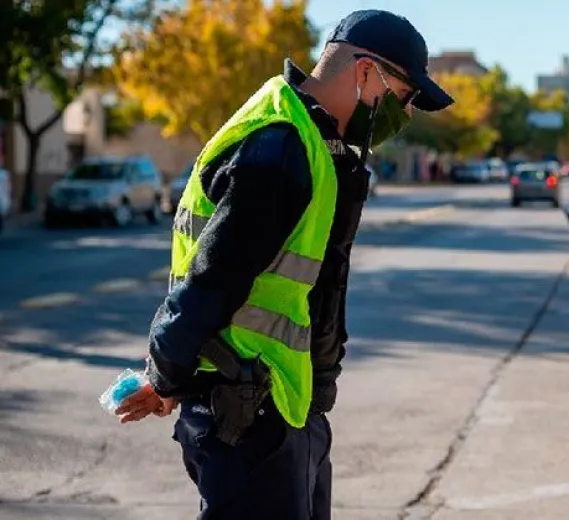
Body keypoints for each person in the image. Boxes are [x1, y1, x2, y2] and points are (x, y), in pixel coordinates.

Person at [113, 10, 454, 520]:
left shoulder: (318, 143)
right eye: (404, 98)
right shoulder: (279, 145)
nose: (403, 116)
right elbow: (213, 279)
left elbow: (315, 287)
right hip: (247, 414)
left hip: (286, 409)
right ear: (366, 73)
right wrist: (165, 376)